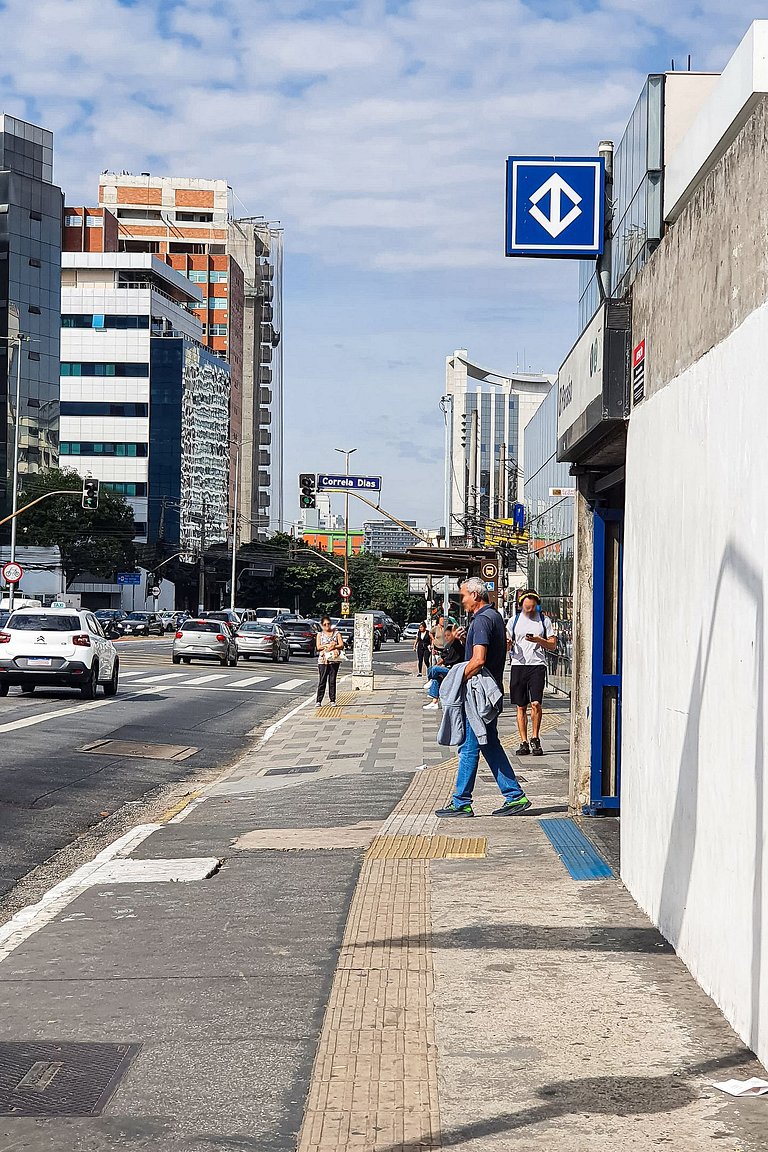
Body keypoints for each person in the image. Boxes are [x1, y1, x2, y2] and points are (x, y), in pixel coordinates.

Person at [435, 578, 531, 818]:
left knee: (469, 747)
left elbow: (478, 660)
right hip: (491, 691)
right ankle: (514, 795)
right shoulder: (495, 617)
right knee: (488, 744)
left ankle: (461, 802)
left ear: (475, 596)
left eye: (464, 595)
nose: (463, 599)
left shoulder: (481, 620)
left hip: (478, 694)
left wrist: (457, 679)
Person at [506, 590, 557, 756]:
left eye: (533, 607)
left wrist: (539, 640)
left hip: (537, 665)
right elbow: (506, 645)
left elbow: (552, 645)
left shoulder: (544, 620)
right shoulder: (513, 621)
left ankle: (535, 737)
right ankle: (523, 741)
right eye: (527, 607)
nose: (530, 610)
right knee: (521, 706)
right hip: (518, 665)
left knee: (535, 703)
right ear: (521, 605)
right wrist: (508, 643)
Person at [423, 623, 465, 711]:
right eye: (445, 635)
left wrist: (440, 664)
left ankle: (430, 679)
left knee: (434, 669)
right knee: (436, 678)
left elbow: (448, 660)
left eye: (448, 635)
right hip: (449, 668)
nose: (446, 637)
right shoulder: (448, 645)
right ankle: (434, 702)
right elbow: (443, 657)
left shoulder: (456, 645)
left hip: (454, 670)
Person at [316, 615, 343, 705]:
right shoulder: (320, 634)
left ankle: (332, 700)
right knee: (322, 680)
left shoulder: (336, 633)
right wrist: (328, 645)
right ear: (322, 625)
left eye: (328, 624)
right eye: (325, 624)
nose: (327, 626)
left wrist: (334, 646)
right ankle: (319, 700)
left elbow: (341, 645)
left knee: (332, 680)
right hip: (323, 660)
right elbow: (318, 647)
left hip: (334, 659)